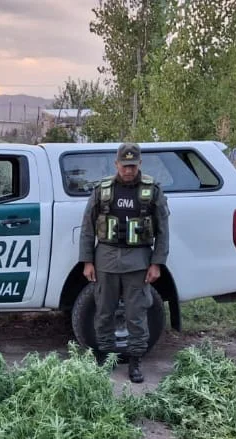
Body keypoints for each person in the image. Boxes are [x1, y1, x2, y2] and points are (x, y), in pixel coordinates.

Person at [79, 143, 170, 383]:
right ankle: (105, 358)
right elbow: (88, 227)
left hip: (138, 263)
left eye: (132, 165)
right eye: (124, 165)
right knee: (104, 313)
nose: (128, 170)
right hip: (106, 261)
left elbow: (163, 231)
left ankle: (135, 362)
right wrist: (87, 261)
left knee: (136, 315)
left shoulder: (152, 191)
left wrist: (157, 263)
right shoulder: (102, 190)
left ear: (139, 164)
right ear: (116, 163)